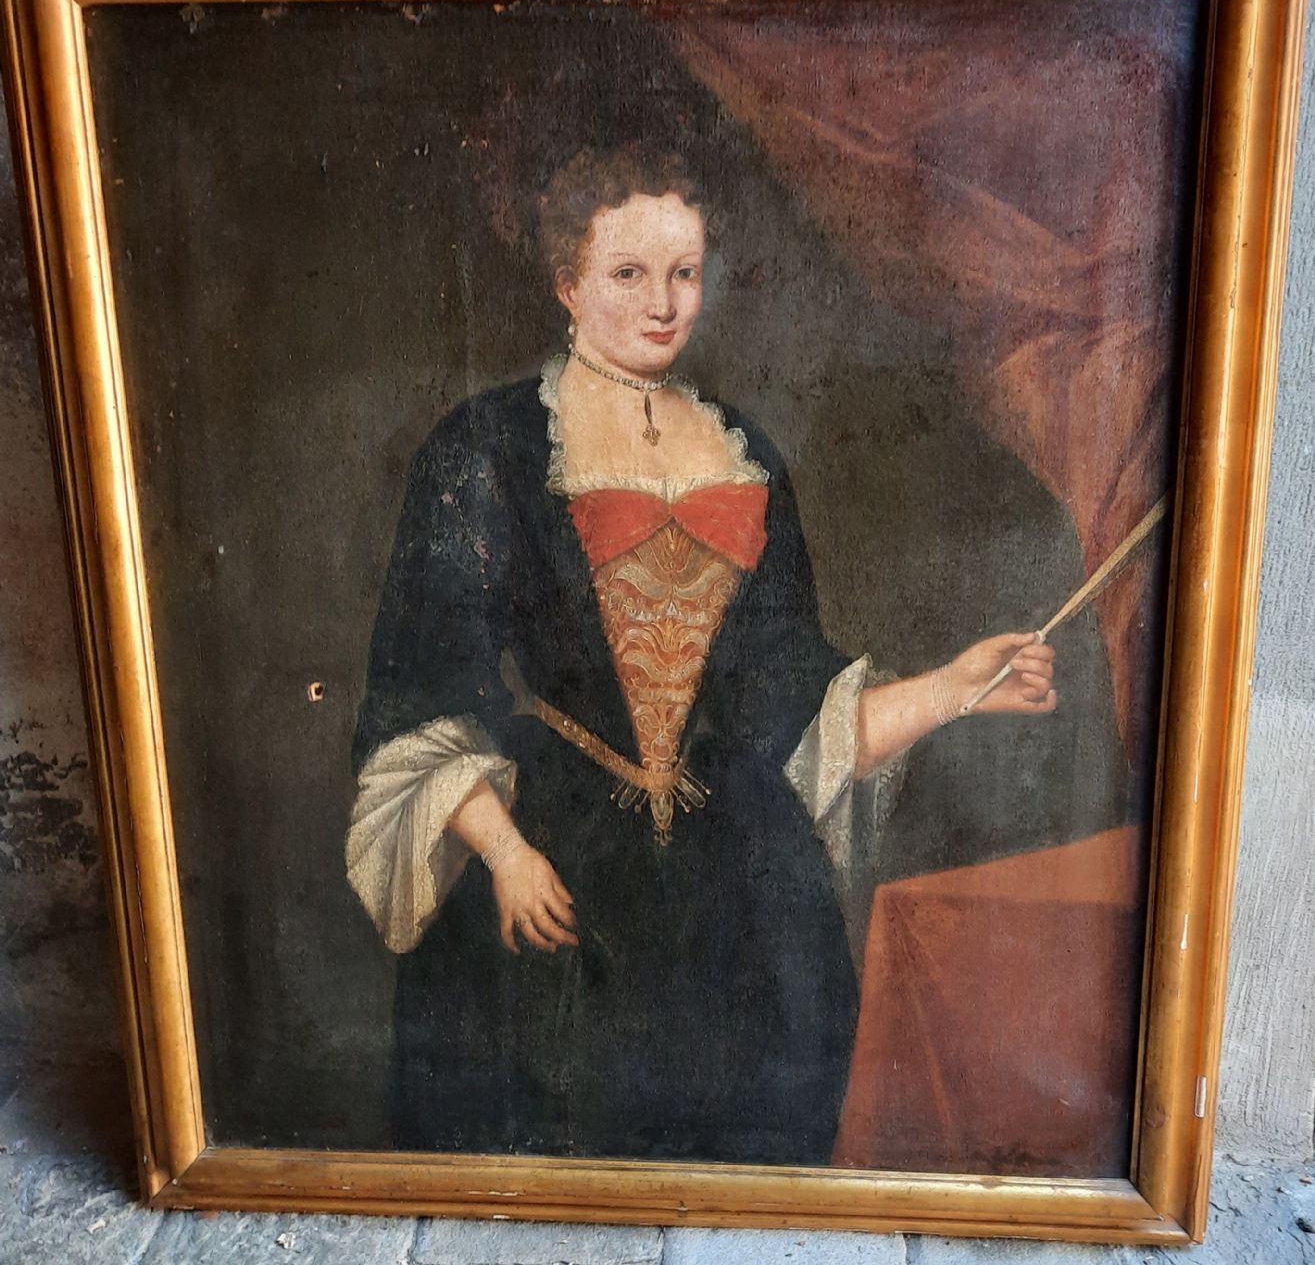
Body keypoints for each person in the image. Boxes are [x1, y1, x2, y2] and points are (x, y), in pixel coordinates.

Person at [345, 146, 1058, 1165]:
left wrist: (955, 687)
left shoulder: (743, 453)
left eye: (683, 272)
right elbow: (424, 685)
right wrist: (503, 853)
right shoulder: (489, 445)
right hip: (550, 849)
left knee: (762, 1090)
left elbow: (786, 703)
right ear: (566, 284)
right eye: (628, 273)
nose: (663, 303)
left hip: (732, 868)